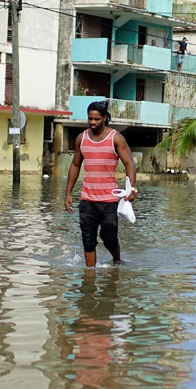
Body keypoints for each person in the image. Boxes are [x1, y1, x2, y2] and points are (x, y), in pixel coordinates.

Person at [65, 100, 137, 267]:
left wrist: (131, 188)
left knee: (109, 238)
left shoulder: (116, 138)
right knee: (88, 240)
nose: (92, 122)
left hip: (108, 200)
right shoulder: (81, 139)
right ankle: (90, 276)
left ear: (104, 118)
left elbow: (129, 164)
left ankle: (117, 261)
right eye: (90, 118)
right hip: (87, 200)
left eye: (96, 119)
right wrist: (68, 193)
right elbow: (75, 165)